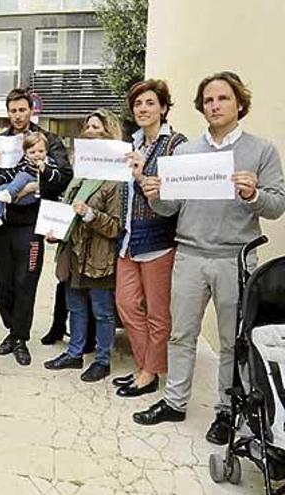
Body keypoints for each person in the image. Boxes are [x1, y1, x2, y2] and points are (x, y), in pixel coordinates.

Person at [132, 72, 285, 446]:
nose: (215, 105)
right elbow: (169, 207)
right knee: (182, 334)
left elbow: (277, 205)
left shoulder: (261, 150)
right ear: (201, 106)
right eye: (209, 100)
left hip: (234, 258)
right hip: (188, 255)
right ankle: (174, 401)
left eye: (223, 99)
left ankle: (226, 412)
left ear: (239, 104)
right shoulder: (185, 154)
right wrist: (154, 193)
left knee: (234, 342)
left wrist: (253, 196)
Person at [0, 88, 72, 366]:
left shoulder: (48, 140)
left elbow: (65, 176)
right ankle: (12, 329)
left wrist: (37, 184)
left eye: (22, 109)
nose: (17, 115)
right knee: (3, 283)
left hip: (30, 225)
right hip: (1, 225)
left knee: (26, 280)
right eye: (13, 110)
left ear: (31, 110)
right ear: (7, 112)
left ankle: (20, 337)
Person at [112, 81, 187, 398]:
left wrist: (143, 176)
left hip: (159, 240)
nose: (142, 109)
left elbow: (177, 198)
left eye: (149, 103)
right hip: (129, 240)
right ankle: (146, 366)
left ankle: (148, 373)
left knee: (157, 313)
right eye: (138, 104)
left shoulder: (176, 145)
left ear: (163, 108)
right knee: (127, 305)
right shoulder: (132, 143)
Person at [42, 120, 124, 382]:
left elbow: (116, 227)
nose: (90, 130)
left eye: (97, 127)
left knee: (102, 311)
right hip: (73, 252)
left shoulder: (115, 177)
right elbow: (66, 210)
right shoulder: (80, 174)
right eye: (88, 126)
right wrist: (54, 229)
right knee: (75, 306)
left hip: (99, 254)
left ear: (110, 135)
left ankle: (102, 360)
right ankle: (74, 353)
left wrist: (90, 214)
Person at [0, 133, 50, 232]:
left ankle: (9, 193)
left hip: (32, 197)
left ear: (46, 151)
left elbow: (57, 177)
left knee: (23, 175)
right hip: (16, 200)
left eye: (41, 151)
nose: (37, 155)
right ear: (26, 153)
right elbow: (11, 172)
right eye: (32, 152)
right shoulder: (23, 163)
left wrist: (44, 171)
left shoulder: (49, 163)